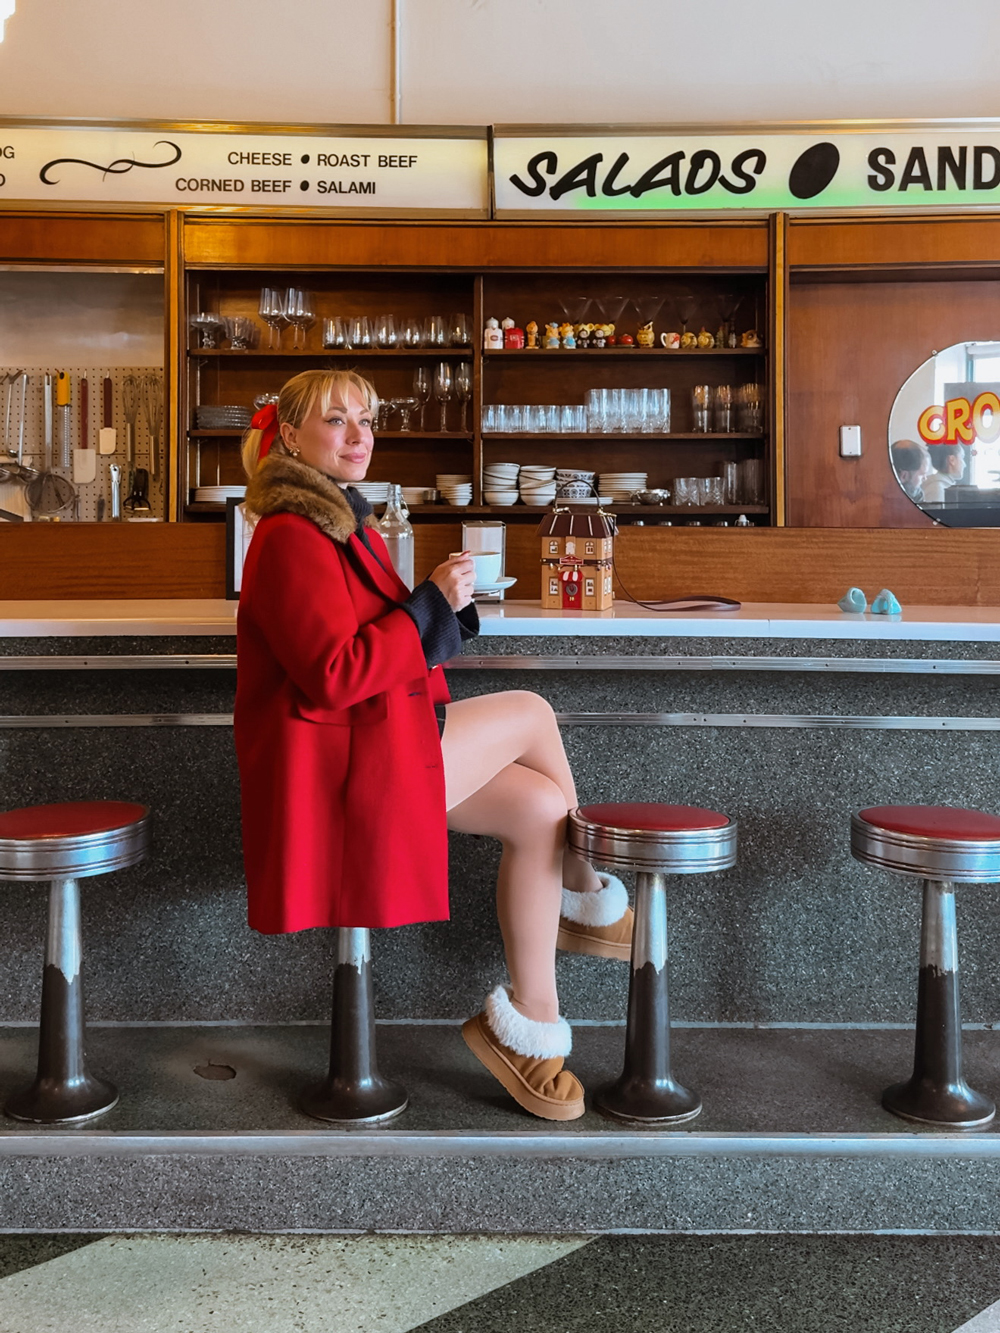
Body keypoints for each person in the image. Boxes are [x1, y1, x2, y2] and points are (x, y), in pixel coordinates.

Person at [234, 369, 633, 1122]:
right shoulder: (292, 536)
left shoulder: (336, 522)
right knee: (531, 709)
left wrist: (436, 604)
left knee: (542, 807)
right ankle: (589, 898)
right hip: (341, 767)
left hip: (371, 741)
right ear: (289, 436)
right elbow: (334, 673)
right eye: (337, 421)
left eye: (366, 419)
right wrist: (429, 602)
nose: (359, 436)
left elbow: (382, 647)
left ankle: (528, 1025)